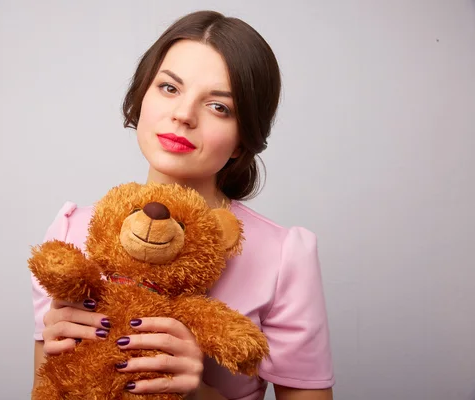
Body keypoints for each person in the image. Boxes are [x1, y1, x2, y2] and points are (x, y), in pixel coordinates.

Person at [31, 10, 335, 400]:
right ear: (142, 94)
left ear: (243, 138)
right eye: (170, 88)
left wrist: (199, 393)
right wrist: (56, 351)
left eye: (219, 107)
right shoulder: (71, 234)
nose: (183, 115)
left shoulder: (282, 256)